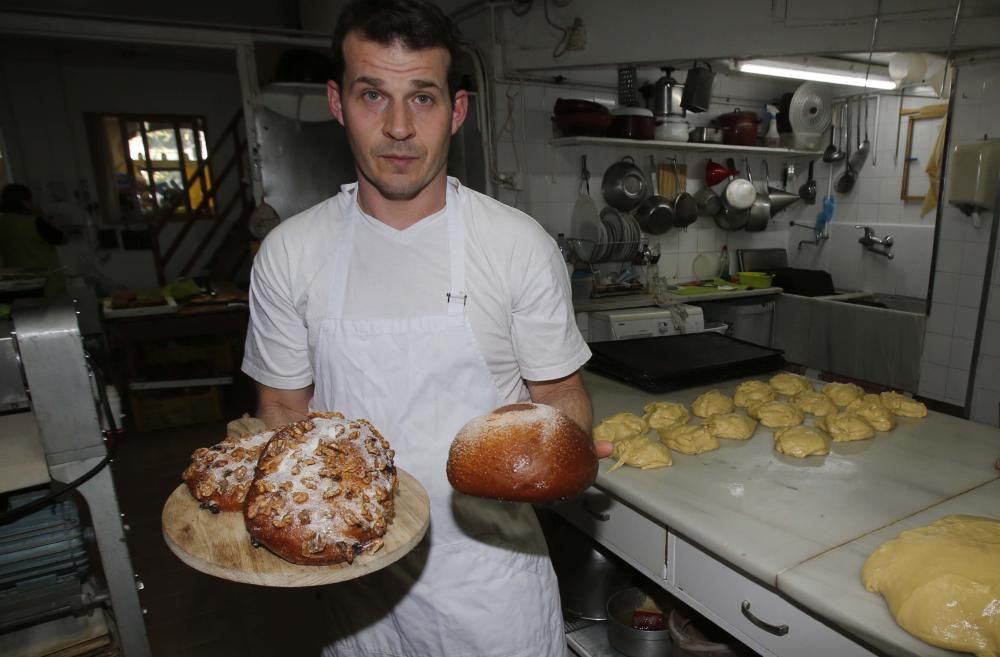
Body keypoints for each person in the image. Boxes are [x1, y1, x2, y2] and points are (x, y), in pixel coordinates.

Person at [241, 1, 611, 655]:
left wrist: (569, 450)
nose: (399, 127)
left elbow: (559, 395)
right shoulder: (290, 254)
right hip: (355, 587)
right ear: (337, 101)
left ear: (458, 110)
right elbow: (280, 408)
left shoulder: (516, 244)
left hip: (493, 584)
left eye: (423, 97)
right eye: (371, 95)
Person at [0, 183, 66, 296]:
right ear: (25, 202)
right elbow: (61, 239)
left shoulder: (2, 223)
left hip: (16, 284)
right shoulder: (34, 222)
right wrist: (44, 217)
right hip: (46, 282)